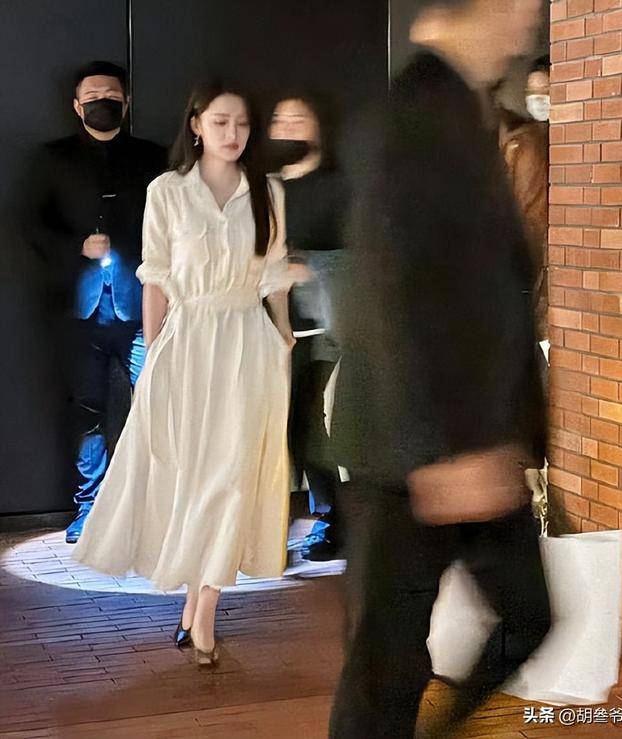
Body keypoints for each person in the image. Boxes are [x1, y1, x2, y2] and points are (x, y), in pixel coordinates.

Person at [329, 0, 551, 736]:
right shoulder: (414, 116)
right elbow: (393, 289)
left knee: (529, 615)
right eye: (519, 4)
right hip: (415, 450)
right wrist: (446, 449)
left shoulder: (465, 110)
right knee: (385, 670)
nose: (528, 22)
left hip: (469, 436)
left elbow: (485, 284)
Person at [73, 81, 294, 664]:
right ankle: (194, 603)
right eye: (220, 122)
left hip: (247, 343)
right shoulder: (168, 192)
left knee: (234, 475)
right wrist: (153, 352)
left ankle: (206, 611)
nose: (232, 133)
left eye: (241, 123)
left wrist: (284, 337)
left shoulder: (267, 190)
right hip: (188, 341)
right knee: (196, 476)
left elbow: (273, 275)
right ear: (196, 124)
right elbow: (156, 277)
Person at [24, 61, 166, 543]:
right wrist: (76, 247)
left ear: (126, 101)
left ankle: (154, 508)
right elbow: (31, 226)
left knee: (156, 401)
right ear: (76, 104)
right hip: (79, 311)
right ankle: (91, 508)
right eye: (92, 95)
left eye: (111, 94)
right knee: (87, 412)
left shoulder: (153, 158)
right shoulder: (52, 158)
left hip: (143, 306)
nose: (102, 101)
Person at [269, 93, 348, 561]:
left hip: (319, 327)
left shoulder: (340, 186)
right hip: (267, 324)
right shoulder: (265, 186)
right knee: (275, 425)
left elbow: (362, 255)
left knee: (307, 423)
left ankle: (331, 519)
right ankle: (271, 526)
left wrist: (308, 266)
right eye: (279, 120)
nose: (286, 128)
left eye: (297, 119)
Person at [498, 56, 550, 343]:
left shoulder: (529, 142)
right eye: (532, 92)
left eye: (545, 91)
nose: (538, 99)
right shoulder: (522, 141)